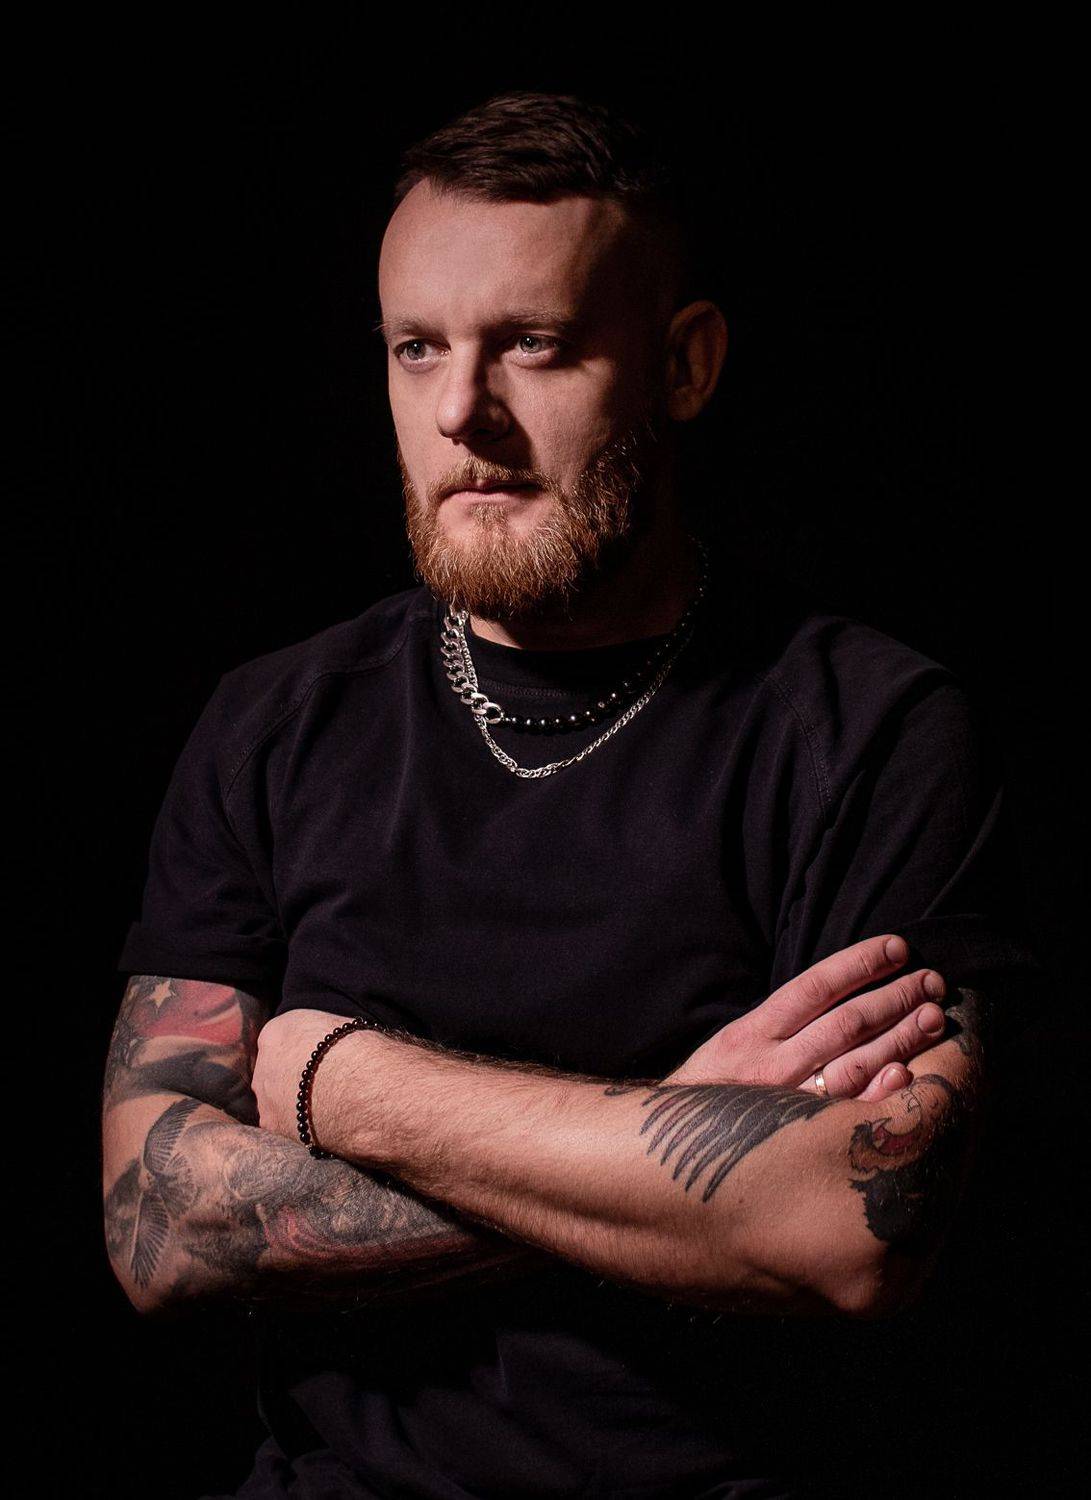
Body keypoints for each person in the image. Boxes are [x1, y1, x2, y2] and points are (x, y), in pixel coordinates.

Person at [103, 92, 1041, 1498]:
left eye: (533, 344)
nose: (460, 413)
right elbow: (158, 1229)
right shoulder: (274, 723)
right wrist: (683, 1148)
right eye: (417, 347)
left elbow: (854, 1230)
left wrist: (343, 1084)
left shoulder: (873, 730)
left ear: (685, 364)